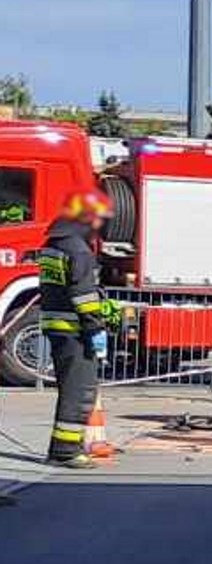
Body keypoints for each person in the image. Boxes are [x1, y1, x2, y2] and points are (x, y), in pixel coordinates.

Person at [37, 191, 113, 469]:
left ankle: (63, 448)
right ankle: (65, 451)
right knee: (79, 392)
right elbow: (84, 296)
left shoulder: (52, 246)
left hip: (56, 326)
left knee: (69, 389)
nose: (100, 226)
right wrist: (96, 327)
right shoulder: (78, 250)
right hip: (76, 330)